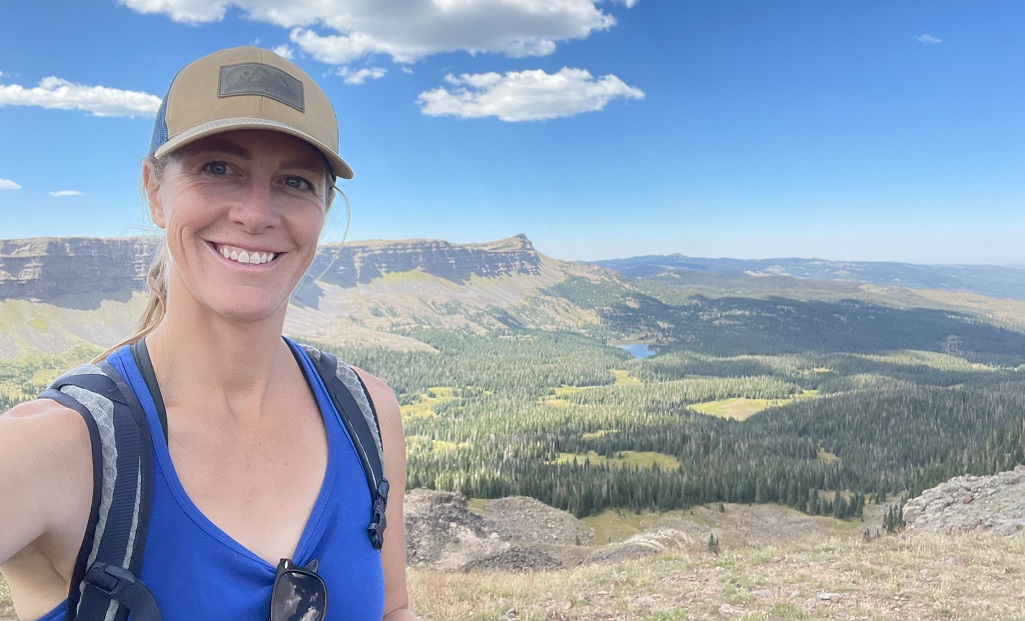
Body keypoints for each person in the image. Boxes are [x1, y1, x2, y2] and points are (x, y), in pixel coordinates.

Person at [0, 46, 418, 621]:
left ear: (323, 208)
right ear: (154, 190)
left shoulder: (367, 412)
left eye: (294, 181)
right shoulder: (57, 450)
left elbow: (392, 609)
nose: (255, 213)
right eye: (219, 168)